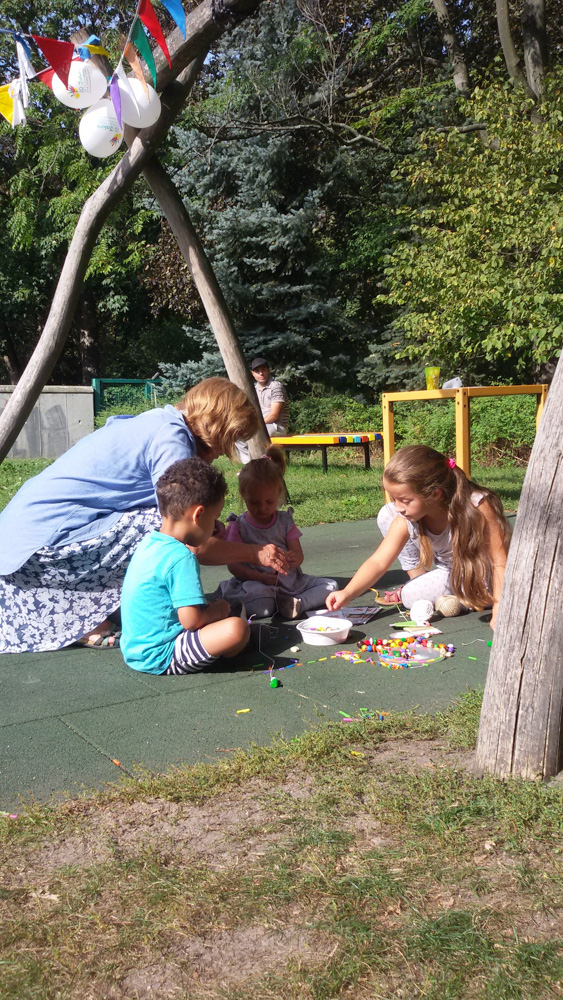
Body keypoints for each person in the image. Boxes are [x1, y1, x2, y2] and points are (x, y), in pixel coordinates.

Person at [0, 378, 290, 654]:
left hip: (24, 543)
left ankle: (124, 606)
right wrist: (255, 553)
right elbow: (191, 538)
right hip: (36, 555)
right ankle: (88, 622)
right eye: (230, 440)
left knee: (179, 521)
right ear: (216, 429)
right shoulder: (172, 439)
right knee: (170, 525)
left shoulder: (160, 421)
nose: (223, 453)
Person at [326, 445, 510, 630]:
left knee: (499, 589)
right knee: (409, 595)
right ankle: (466, 598)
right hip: (452, 575)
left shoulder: (478, 505)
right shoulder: (407, 519)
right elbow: (378, 562)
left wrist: (500, 606)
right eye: (393, 498)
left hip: (487, 575)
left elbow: (500, 562)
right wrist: (347, 592)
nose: (398, 507)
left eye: (405, 501)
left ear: (435, 494)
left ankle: (477, 598)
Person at [121, 458, 249, 675]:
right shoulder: (182, 557)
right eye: (215, 518)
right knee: (236, 629)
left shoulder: (150, 543)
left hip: (135, 650)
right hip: (162, 653)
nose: (217, 527)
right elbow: (191, 621)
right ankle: (227, 652)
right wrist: (217, 610)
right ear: (198, 515)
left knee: (225, 613)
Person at [215, 445, 337, 619]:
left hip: (291, 584)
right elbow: (234, 566)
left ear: (279, 494)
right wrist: (258, 576)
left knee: (331, 586)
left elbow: (298, 554)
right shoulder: (238, 525)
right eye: (255, 502)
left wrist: (294, 558)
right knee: (263, 606)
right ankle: (235, 598)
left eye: (269, 502)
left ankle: (297, 604)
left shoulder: (284, 521)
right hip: (256, 584)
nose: (262, 508)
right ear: (243, 495)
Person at [237, 357, 289, 463]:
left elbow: (274, 415)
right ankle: (249, 464)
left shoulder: (276, 387)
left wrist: (254, 424)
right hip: (261, 424)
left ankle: (259, 464)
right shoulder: (253, 389)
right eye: (257, 371)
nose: (261, 373)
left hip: (276, 426)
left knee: (253, 433)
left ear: (268, 370)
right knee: (237, 434)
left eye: (263, 369)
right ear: (253, 374)